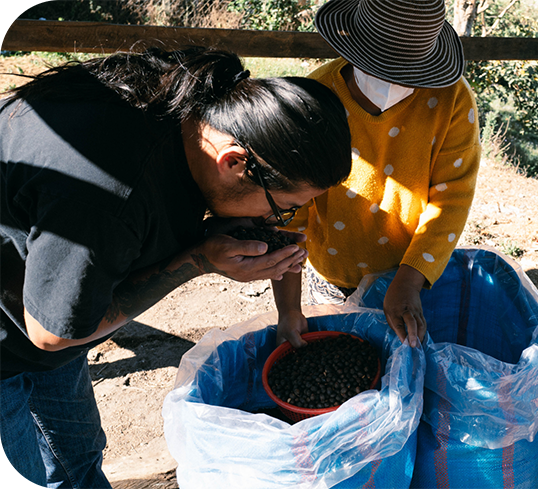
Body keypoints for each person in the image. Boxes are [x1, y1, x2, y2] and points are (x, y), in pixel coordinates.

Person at [0, 45, 351, 487]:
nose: (271, 222)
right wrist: (197, 261)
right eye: (282, 208)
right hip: (21, 331)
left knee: (78, 462)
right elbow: (55, 333)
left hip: (48, 290)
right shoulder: (110, 197)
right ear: (235, 162)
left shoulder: (191, 105)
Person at [272, 0, 481, 349]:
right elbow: (289, 215)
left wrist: (409, 281)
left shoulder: (451, 102)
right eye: (381, 68)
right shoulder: (315, 97)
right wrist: (288, 309)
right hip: (331, 277)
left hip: (408, 277)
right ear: (353, 44)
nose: (392, 82)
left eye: (406, 74)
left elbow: (452, 195)